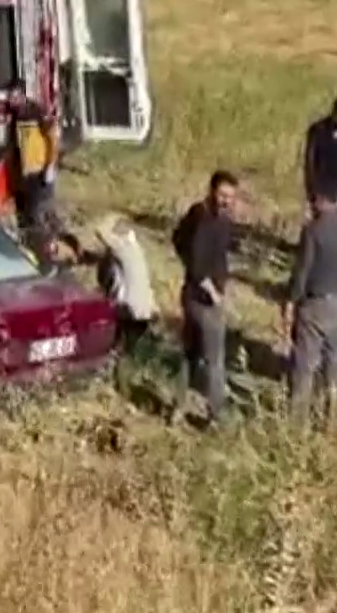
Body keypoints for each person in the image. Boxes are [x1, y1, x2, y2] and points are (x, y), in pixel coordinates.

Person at [282, 191, 337, 421]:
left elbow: (302, 272)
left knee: (304, 366)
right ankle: (330, 419)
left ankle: (297, 421)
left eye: (312, 200)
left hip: (316, 305)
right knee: (335, 367)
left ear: (321, 200)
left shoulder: (313, 230)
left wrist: (291, 301)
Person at [171, 170, 239, 426]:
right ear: (211, 191)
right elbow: (199, 265)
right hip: (205, 300)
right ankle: (216, 416)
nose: (226, 201)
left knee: (189, 355)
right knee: (215, 361)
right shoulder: (205, 220)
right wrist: (213, 292)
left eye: (230, 197)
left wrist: (188, 263)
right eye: (222, 195)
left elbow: (178, 239)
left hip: (190, 295)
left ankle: (178, 407)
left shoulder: (202, 214)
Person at [4, 82, 61, 257]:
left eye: (13, 97)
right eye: (9, 97)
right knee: (26, 215)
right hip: (24, 174)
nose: (10, 100)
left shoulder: (36, 111)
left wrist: (50, 165)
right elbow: (15, 147)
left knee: (40, 212)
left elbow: (52, 137)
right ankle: (32, 249)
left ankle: (48, 250)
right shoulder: (14, 117)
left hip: (39, 172)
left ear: (22, 95)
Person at [91, 213, 159, 352]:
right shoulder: (136, 249)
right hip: (143, 312)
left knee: (113, 346)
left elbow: (100, 231)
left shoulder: (122, 246)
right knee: (129, 349)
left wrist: (113, 215)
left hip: (129, 311)